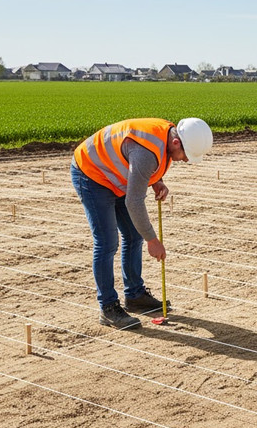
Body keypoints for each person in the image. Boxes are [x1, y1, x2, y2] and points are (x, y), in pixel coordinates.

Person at [70, 117, 213, 328]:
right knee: (107, 242)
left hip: (115, 175)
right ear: (176, 143)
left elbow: (138, 166)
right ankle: (108, 307)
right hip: (92, 174)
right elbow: (134, 200)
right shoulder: (148, 153)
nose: (185, 161)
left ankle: (135, 296)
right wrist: (152, 240)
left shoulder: (167, 136)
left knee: (132, 234)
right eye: (186, 156)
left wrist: (155, 180)